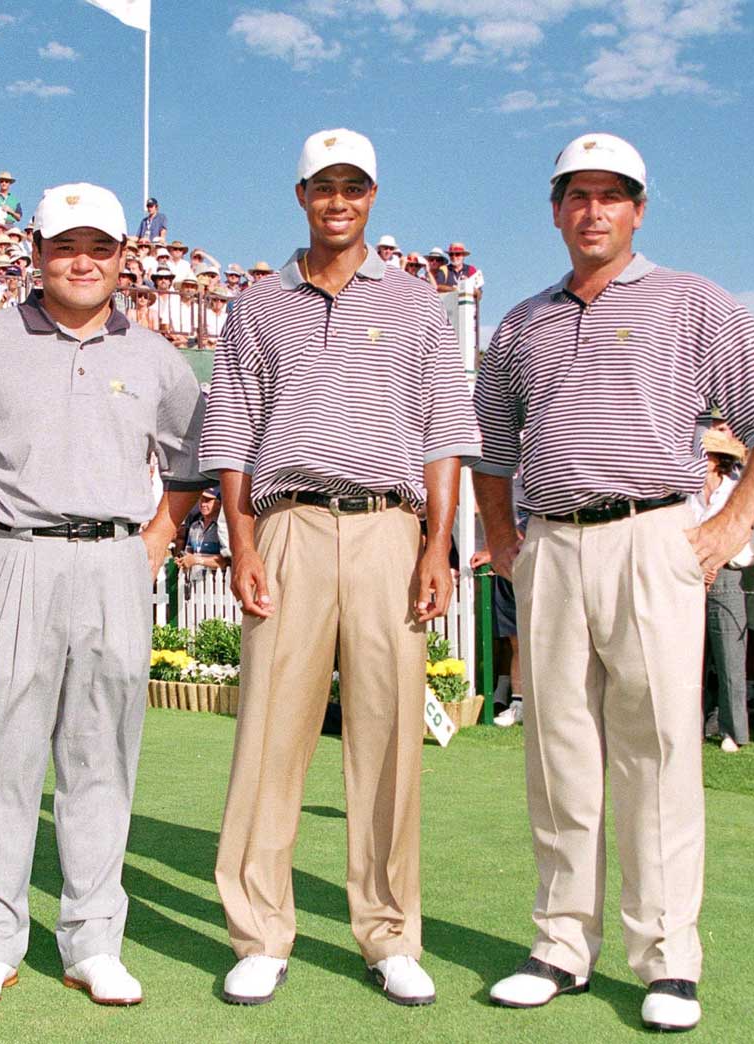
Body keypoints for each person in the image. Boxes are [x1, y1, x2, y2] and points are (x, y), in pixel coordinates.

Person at [472, 132, 754, 1031]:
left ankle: (666, 957)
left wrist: (732, 521)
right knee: (558, 752)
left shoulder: (693, 302)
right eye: (577, 195)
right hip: (551, 543)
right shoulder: (522, 320)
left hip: (653, 535)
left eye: (611, 196)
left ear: (639, 209)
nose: (593, 211)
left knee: (657, 750)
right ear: (554, 210)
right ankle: (559, 943)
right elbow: (493, 444)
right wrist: (503, 535)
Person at [202, 129, 480, 1009]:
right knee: (268, 735)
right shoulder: (257, 305)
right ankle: (260, 931)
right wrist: (242, 542)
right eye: (323, 186)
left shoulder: (414, 304)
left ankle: (390, 932)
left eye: (354, 186)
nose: (339, 200)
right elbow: (233, 432)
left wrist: (437, 545)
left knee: (391, 735)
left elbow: (443, 431)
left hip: (389, 529)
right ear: (300, 196)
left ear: (372, 195)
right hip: (284, 526)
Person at [0, 183, 206, 1010]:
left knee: (101, 757)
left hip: (116, 559)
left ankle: (93, 942)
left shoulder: (156, 357)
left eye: (100, 247)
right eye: (64, 246)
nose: (81, 262)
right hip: (11, 556)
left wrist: (159, 538)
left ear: (125, 258)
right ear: (37, 253)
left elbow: (192, 462)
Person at [698, 430, 751, 752]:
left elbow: (739, 532)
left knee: (730, 657)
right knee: (690, 659)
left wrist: (714, 563)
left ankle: (734, 731)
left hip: (727, 577)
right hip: (688, 577)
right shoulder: (685, 491)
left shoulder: (734, 491)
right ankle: (692, 727)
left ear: (718, 461)